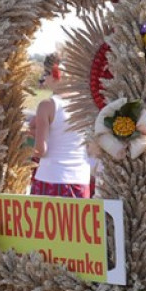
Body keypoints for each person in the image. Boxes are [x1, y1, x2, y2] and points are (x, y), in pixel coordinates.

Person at [30, 57, 91, 197]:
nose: (44, 79)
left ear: (54, 76)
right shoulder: (86, 104)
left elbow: (41, 150)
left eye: (45, 74)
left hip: (51, 177)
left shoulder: (47, 105)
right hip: (80, 179)